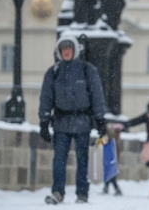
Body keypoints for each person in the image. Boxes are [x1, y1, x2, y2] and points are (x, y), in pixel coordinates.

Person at [39, 35, 107, 205]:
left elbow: (96, 95)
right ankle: (57, 192)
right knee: (59, 159)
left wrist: (100, 119)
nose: (66, 52)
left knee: (82, 159)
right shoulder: (53, 72)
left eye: (69, 48)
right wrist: (44, 121)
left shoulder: (87, 70)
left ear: (75, 50)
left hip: (82, 122)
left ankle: (82, 194)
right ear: (59, 52)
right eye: (63, 49)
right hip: (61, 122)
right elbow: (46, 97)